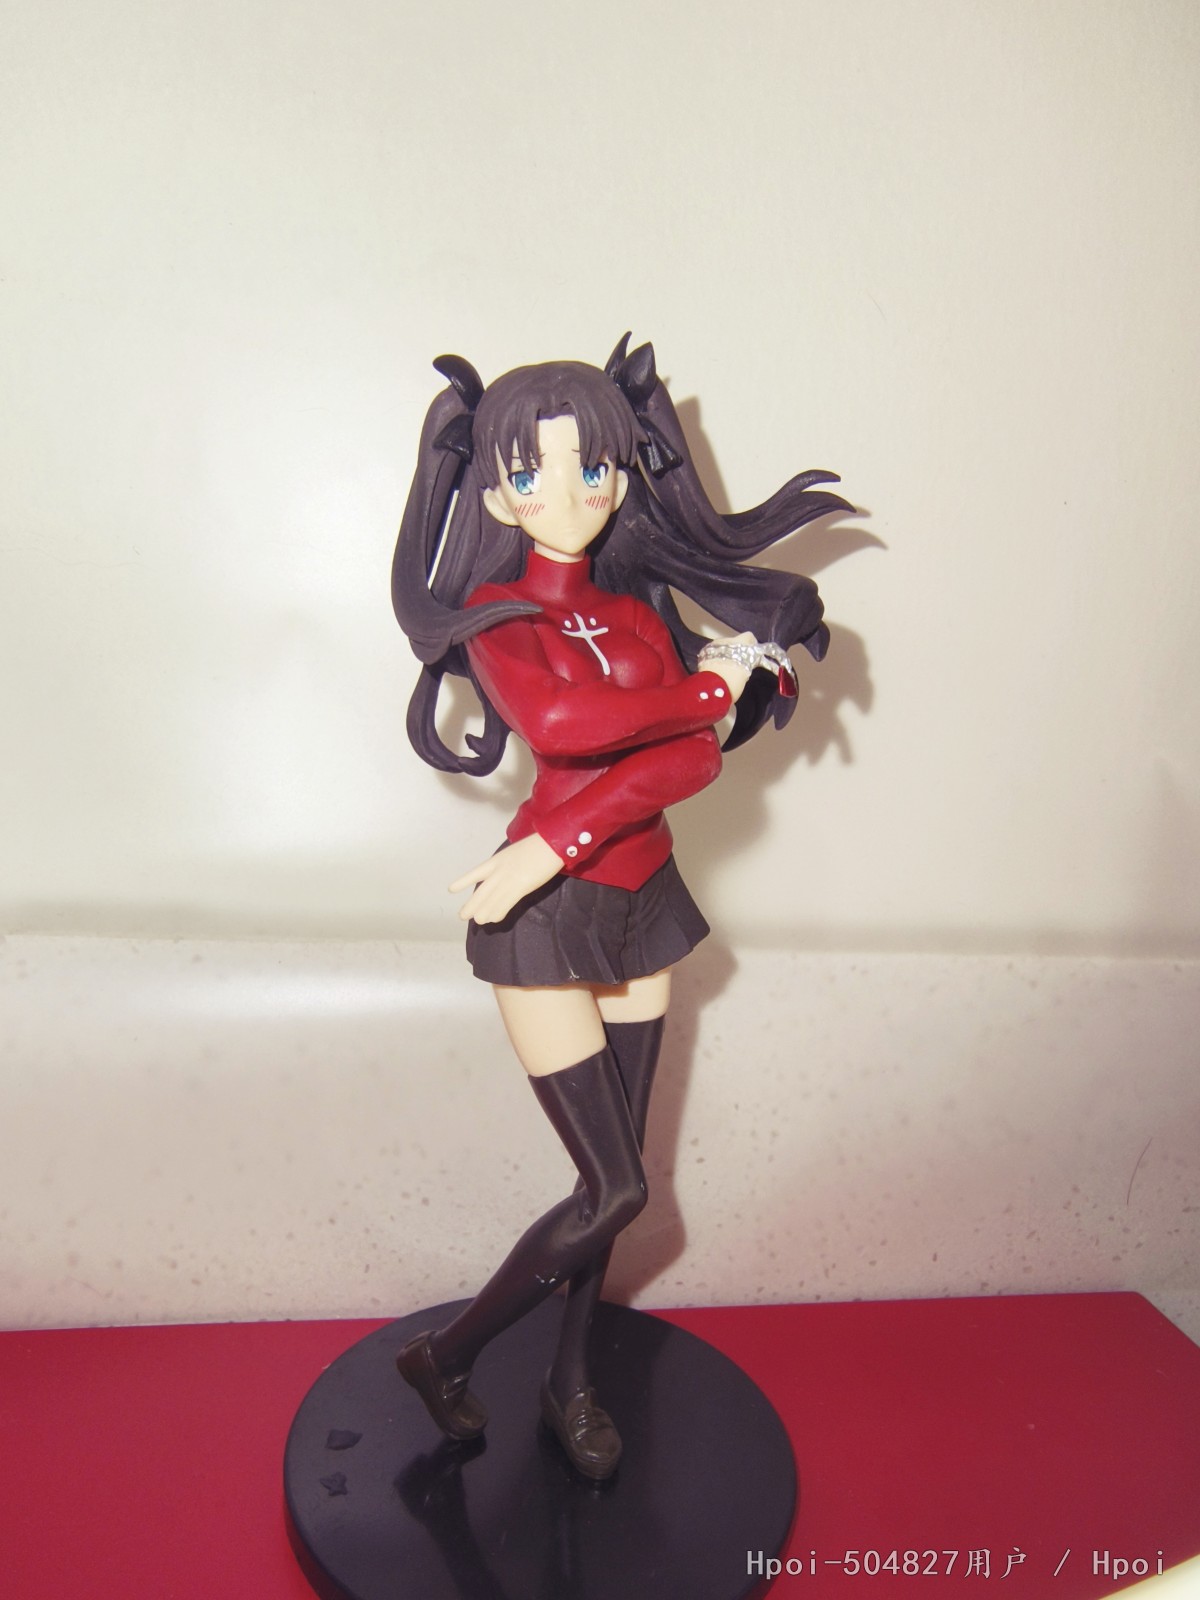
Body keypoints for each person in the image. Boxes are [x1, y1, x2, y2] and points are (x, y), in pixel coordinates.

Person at [390, 336, 849, 1479]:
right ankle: (446, 1356)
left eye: (593, 469)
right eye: (536, 474)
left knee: (611, 1195)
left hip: (640, 897)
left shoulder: (634, 611)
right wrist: (698, 696)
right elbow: (563, 727)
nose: (571, 495)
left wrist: (571, 828)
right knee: (619, 1185)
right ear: (497, 493)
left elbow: (693, 763)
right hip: (541, 916)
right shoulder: (497, 616)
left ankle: (570, 1379)